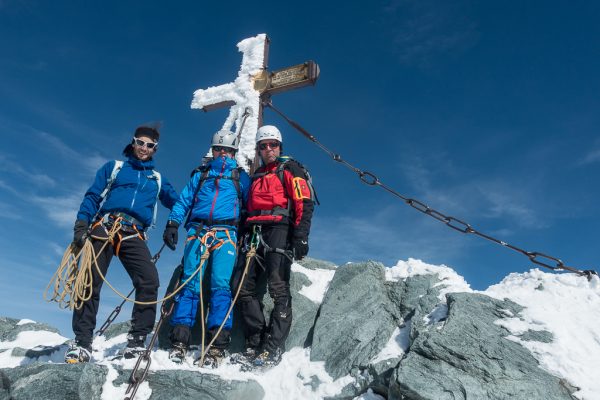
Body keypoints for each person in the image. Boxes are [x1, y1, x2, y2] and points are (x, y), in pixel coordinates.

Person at [64, 125, 179, 364]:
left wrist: (173, 225)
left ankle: (137, 341)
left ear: (155, 149)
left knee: (149, 280)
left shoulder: (157, 179)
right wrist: (82, 223)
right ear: (133, 142)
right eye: (140, 142)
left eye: (149, 145)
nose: (144, 148)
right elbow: (93, 195)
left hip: (133, 232)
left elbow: (179, 203)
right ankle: (82, 343)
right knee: (89, 281)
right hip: (105, 226)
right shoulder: (114, 168)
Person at [162, 130, 250, 367]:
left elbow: (249, 206)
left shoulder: (240, 177)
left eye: (226, 150)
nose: (222, 153)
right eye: (218, 149)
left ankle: (217, 345)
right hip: (198, 232)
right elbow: (184, 200)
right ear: (212, 151)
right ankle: (180, 340)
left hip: (227, 234)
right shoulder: (200, 175)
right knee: (190, 284)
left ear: (233, 152)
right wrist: (173, 222)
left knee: (221, 286)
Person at [232, 125, 314, 368]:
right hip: (255, 232)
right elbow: (248, 207)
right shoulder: (256, 175)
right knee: (241, 287)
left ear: (280, 146)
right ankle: (255, 341)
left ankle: (272, 347)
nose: (268, 149)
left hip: (280, 229)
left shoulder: (290, 168)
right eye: (263, 145)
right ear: (258, 149)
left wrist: (301, 236)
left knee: (278, 287)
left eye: (273, 145)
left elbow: (304, 201)